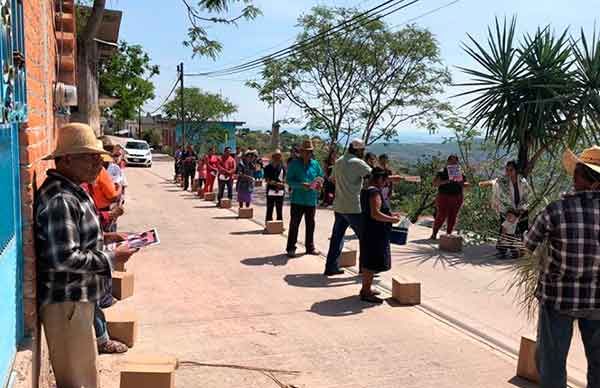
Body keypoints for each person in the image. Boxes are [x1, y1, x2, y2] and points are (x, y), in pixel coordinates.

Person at [35, 123, 138, 388]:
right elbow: (64, 258)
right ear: (67, 159)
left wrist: (107, 239)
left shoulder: (72, 190)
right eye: (91, 158)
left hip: (77, 300)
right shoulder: (60, 198)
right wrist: (111, 257)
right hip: (67, 303)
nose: (98, 164)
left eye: (100, 158)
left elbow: (74, 239)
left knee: (86, 376)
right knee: (78, 381)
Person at [524, 146, 600, 388]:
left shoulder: (555, 210)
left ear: (578, 177)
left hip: (558, 299)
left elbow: (528, 244)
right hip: (598, 301)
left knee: (553, 362)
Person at [324, 139, 371, 276]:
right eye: (362, 150)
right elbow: (373, 176)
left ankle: (331, 267)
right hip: (354, 207)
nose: (363, 153)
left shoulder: (339, 161)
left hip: (339, 205)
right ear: (357, 150)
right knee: (365, 237)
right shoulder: (358, 163)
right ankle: (365, 269)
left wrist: (344, 184)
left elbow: (332, 179)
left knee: (337, 238)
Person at [359, 167, 401, 304]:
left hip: (368, 230)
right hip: (375, 232)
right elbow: (375, 213)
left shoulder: (366, 190)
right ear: (379, 179)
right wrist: (392, 220)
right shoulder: (374, 192)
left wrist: (390, 215)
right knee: (371, 262)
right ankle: (366, 291)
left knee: (368, 261)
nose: (386, 184)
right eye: (385, 181)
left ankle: (367, 288)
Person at [286, 140, 324, 258]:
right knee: (294, 224)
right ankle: (291, 248)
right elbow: (289, 180)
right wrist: (301, 185)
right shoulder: (294, 164)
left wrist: (319, 185)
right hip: (298, 199)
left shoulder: (315, 164)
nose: (307, 154)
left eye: (310, 152)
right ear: (301, 152)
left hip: (311, 199)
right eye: (305, 152)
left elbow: (320, 177)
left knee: (310, 224)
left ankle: (310, 247)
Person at [492, 161, 530, 255]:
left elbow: (526, 196)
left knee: (520, 229)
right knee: (505, 228)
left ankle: (518, 250)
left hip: (521, 209)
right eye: (507, 170)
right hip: (507, 210)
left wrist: (520, 210)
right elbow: (502, 197)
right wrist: (511, 211)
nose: (508, 172)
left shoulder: (523, 181)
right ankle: (502, 249)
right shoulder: (503, 182)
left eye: (511, 170)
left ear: (516, 171)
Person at [430, 155, 467, 240]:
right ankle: (434, 234)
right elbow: (435, 184)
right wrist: (447, 181)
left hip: (457, 196)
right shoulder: (442, 172)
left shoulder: (460, 172)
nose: (453, 164)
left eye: (455, 162)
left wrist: (460, 182)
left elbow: (466, 184)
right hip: (444, 196)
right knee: (441, 215)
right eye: (451, 162)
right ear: (448, 162)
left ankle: (448, 235)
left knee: (453, 216)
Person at [264, 149, 286, 222]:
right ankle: (268, 225)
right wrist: (275, 183)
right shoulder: (267, 168)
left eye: (279, 156)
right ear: (273, 157)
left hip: (280, 190)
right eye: (276, 156)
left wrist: (282, 184)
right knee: (270, 208)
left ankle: (279, 225)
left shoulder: (283, 167)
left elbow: (285, 179)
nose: (277, 158)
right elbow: (267, 180)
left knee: (279, 209)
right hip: (271, 189)